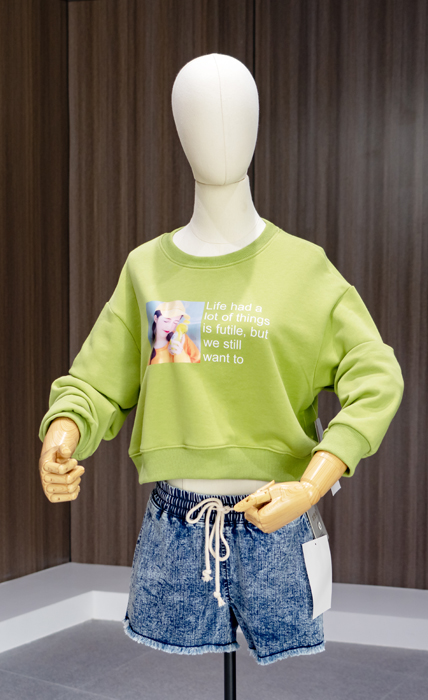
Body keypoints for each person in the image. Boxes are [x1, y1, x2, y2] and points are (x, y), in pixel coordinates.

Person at [38, 53, 404, 665]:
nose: (221, 132)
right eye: (202, 115)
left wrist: (315, 480)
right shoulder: (148, 269)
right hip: (177, 530)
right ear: (179, 130)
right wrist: (63, 431)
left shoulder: (304, 268)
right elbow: (96, 382)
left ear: (257, 125)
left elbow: (376, 376)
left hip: (278, 525)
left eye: (235, 113)